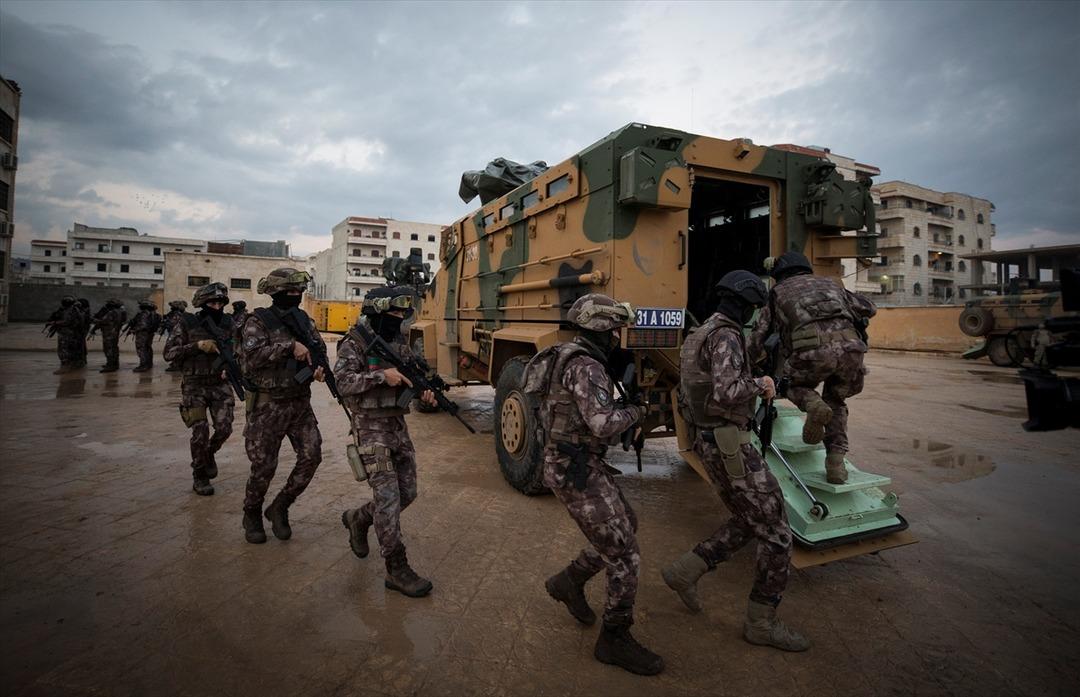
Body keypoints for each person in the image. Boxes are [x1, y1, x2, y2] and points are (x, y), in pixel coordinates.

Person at [662, 270, 809, 652]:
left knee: (748, 519)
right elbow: (728, 391)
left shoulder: (701, 331)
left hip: (711, 442)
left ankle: (685, 571)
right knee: (777, 533)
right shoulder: (726, 335)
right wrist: (762, 384)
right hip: (730, 446)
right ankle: (761, 623)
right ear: (746, 305)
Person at [523, 293, 662, 676]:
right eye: (615, 329)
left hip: (579, 464)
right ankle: (614, 638)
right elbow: (602, 424)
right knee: (625, 554)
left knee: (625, 526)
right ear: (601, 328)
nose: (618, 336)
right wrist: (638, 410)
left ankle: (569, 581)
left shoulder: (569, 355)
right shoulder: (586, 366)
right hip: (576, 470)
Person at [338, 286, 438, 598]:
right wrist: (382, 377)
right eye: (394, 313)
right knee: (387, 498)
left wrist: (427, 392)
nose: (399, 319)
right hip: (369, 428)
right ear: (377, 310)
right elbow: (342, 383)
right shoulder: (354, 342)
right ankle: (397, 568)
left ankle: (358, 518)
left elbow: (412, 374)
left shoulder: (396, 342)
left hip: (396, 424)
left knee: (407, 492)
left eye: (402, 313)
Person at [747, 251, 877, 484]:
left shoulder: (778, 293)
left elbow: (759, 336)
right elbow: (869, 308)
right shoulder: (832, 284)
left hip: (812, 353)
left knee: (790, 385)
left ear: (779, 274)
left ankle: (812, 404)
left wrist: (748, 363)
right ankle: (835, 464)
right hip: (851, 352)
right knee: (836, 401)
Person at [238, 268, 324, 544]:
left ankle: (280, 505)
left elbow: (317, 349)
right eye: (290, 291)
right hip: (268, 405)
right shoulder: (258, 321)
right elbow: (250, 359)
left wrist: (319, 368)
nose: (296, 295)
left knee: (311, 456)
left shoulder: (304, 320)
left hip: (299, 403)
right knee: (264, 466)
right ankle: (251, 512)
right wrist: (289, 346)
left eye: (300, 290)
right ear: (275, 292)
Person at [163, 283, 236, 496]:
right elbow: (169, 353)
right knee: (200, 432)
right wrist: (196, 346)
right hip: (194, 385)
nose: (216, 306)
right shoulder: (187, 323)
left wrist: (230, 367)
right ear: (202, 303)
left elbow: (238, 350)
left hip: (219, 384)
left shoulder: (228, 323)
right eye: (212, 303)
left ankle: (209, 454)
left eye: (220, 303)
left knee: (224, 428)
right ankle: (200, 475)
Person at [48, 296, 83, 374]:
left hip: (66, 333)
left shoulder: (70, 310)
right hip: (71, 333)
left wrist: (54, 323)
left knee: (63, 350)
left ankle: (65, 367)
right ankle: (70, 366)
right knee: (69, 349)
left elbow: (66, 321)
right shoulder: (74, 310)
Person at [91, 299, 127, 373]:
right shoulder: (120, 312)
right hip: (114, 333)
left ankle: (110, 365)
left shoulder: (112, 312)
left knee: (108, 349)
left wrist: (93, 319)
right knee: (114, 349)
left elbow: (104, 321)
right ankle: (114, 364)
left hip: (109, 334)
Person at [130, 300, 162, 372]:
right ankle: (149, 363)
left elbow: (142, 325)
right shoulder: (154, 314)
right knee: (148, 348)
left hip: (143, 334)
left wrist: (134, 330)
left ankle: (143, 365)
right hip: (150, 333)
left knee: (141, 348)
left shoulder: (144, 314)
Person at [161, 300, 190, 372]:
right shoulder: (182, 314)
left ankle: (177, 365)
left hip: (177, 335)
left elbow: (174, 324)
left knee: (176, 349)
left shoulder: (177, 314)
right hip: (178, 334)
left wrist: (167, 322)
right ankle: (175, 363)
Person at [75, 299, 91, 368]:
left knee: (80, 345)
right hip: (83, 329)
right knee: (82, 344)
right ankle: (83, 360)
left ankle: (81, 361)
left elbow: (82, 319)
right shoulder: (86, 311)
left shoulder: (84, 312)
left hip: (82, 329)